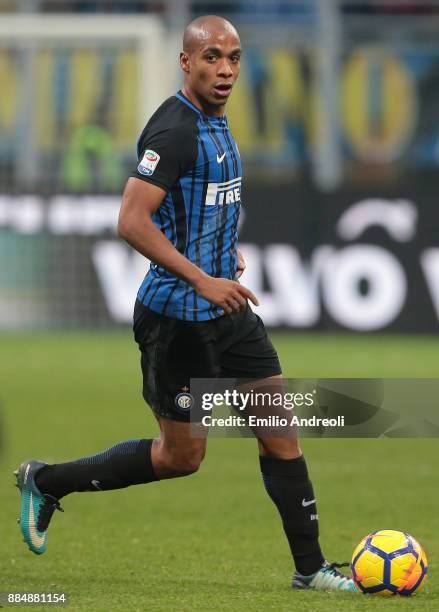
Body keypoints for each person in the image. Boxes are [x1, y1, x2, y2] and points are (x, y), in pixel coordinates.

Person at [15, 15, 356, 593]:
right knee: (181, 458)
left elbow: (200, 206)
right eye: (211, 58)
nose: (225, 70)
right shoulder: (174, 130)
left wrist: (224, 255)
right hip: (176, 319)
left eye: (234, 58)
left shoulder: (218, 122)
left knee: (279, 428)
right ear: (185, 62)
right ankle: (48, 480)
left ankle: (311, 570)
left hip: (228, 312)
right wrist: (202, 277)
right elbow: (130, 220)